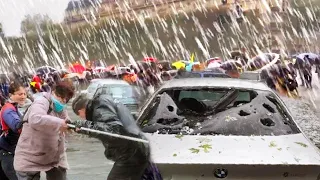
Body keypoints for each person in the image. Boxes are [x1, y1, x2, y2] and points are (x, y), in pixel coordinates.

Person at [72, 92, 150, 180]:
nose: (83, 118)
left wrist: (83, 125)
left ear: (80, 111)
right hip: (136, 149)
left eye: (80, 116)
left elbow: (113, 131)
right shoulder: (104, 103)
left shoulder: (100, 107)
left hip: (131, 153)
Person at [14, 81, 75, 180]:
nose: (63, 100)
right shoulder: (41, 101)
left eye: (66, 99)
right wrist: (60, 123)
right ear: (54, 92)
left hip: (55, 157)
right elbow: (35, 119)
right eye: (61, 97)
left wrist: (72, 126)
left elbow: (66, 121)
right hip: (30, 157)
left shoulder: (61, 107)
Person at [0, 81, 27, 180]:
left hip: (8, 151)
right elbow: (16, 125)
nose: (23, 96)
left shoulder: (14, 108)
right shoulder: (8, 110)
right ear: (11, 95)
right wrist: (30, 119)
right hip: (7, 154)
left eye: (25, 94)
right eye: (20, 94)